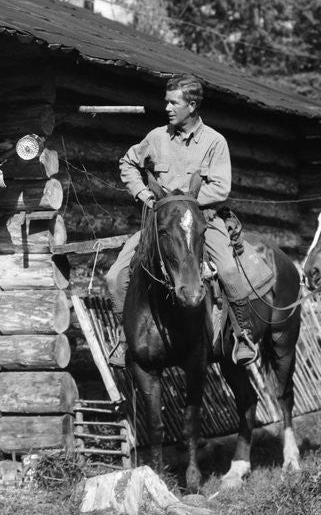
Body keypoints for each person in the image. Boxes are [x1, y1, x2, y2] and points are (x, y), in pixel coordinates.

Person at [106, 73, 258, 366]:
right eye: (167, 102)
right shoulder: (156, 138)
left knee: (228, 270)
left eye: (174, 103)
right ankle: (126, 338)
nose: (167, 108)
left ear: (192, 105)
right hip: (161, 224)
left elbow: (221, 187)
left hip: (203, 222)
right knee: (115, 276)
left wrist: (181, 204)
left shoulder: (214, 142)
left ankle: (243, 334)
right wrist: (145, 195)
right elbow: (127, 163)